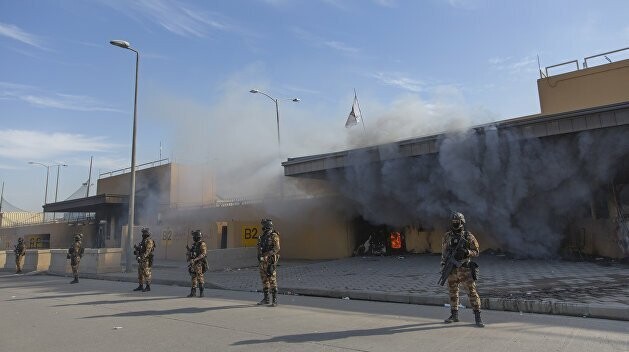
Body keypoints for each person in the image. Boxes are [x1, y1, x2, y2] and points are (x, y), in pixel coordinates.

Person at [441, 212, 485, 327]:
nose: (455, 224)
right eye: (454, 222)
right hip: (451, 269)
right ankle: (454, 315)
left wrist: (467, 252)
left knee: (472, 292)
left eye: (458, 222)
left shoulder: (468, 236)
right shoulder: (447, 236)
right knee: (452, 292)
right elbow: (444, 253)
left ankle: (477, 316)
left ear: (462, 222)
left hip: (465, 268)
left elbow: (476, 251)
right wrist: (443, 266)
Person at [257, 219, 281, 307]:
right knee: (264, 280)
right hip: (263, 262)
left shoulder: (274, 235)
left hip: (270, 261)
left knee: (272, 280)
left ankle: (274, 300)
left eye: (263, 225)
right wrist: (259, 255)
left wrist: (267, 254)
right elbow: (260, 247)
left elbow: (277, 248)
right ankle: (266, 299)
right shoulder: (262, 236)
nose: (262, 227)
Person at [186, 230, 208, 297]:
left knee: (199, 277)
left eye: (194, 237)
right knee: (193, 277)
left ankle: (202, 292)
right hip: (193, 263)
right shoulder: (194, 244)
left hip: (199, 263)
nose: (193, 238)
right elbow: (193, 251)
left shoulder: (202, 244)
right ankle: (193, 292)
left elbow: (203, 254)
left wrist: (195, 259)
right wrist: (189, 250)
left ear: (197, 237)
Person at [133, 228, 155, 292]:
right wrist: (137, 249)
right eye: (143, 233)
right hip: (141, 260)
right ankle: (140, 286)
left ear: (147, 233)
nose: (143, 234)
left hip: (146, 260)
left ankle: (148, 287)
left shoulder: (149, 241)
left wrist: (142, 257)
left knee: (147, 273)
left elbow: (148, 251)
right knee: (140, 273)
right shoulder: (143, 241)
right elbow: (141, 249)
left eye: (144, 233)